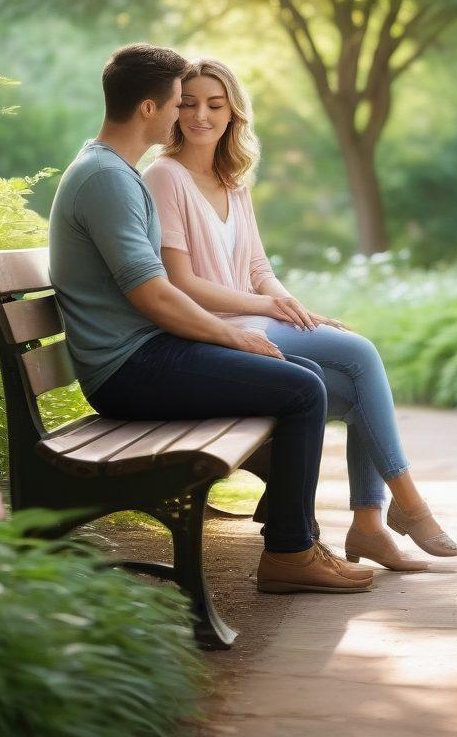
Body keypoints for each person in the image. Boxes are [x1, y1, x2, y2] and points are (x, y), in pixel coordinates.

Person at [48, 42, 374, 594]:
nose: (185, 114)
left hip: (145, 354)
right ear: (149, 108)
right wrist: (233, 338)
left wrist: (236, 336)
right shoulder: (107, 178)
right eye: (179, 101)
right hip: (128, 368)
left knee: (305, 380)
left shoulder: (116, 173)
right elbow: (154, 295)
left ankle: (297, 538)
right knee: (300, 389)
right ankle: (290, 554)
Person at [141, 56, 457, 571]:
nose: (201, 115)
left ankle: (370, 525)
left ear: (233, 114)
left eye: (214, 105)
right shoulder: (164, 176)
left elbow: (257, 267)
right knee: (359, 353)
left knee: (358, 386)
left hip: (254, 319)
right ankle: (409, 505)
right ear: (174, 112)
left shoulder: (233, 182)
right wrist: (266, 305)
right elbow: (182, 283)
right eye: (189, 103)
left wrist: (296, 309)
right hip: (216, 334)